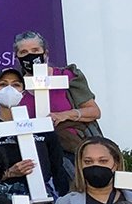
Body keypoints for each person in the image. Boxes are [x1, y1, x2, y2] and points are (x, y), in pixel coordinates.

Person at [13, 30, 101, 167]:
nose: (30, 55)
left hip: (71, 150)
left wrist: (64, 115)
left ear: (45, 53)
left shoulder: (67, 76)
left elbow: (94, 111)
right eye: (23, 52)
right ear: (17, 57)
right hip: (33, 153)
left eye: (35, 50)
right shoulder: (15, 86)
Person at [0, 66, 70, 196]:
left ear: (23, 93)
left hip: (42, 197)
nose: (9, 89)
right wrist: (9, 173)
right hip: (0, 200)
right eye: (3, 84)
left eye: (16, 85)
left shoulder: (42, 127)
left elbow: (57, 169)